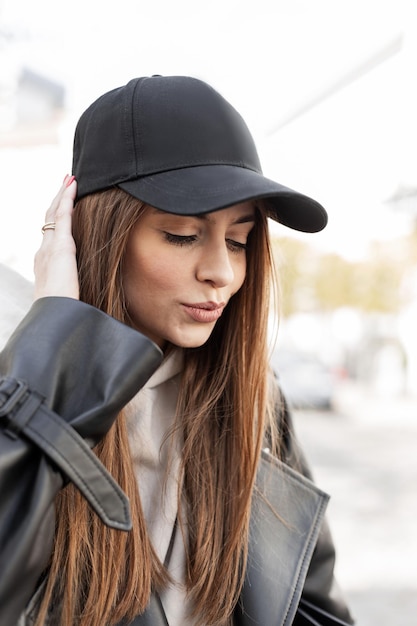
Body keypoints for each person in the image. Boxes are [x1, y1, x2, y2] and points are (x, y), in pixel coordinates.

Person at [0, 75, 355, 626]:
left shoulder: (257, 403)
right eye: (184, 235)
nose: (222, 272)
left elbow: (313, 609)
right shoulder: (23, 393)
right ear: (99, 236)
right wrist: (54, 352)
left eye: (238, 241)